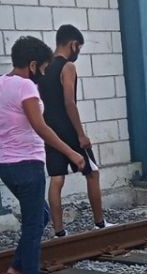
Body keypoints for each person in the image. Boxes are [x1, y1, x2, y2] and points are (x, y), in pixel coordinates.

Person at [0, 36, 85, 274]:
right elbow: (40, 127)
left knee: (40, 216)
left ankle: (17, 267)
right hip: (27, 164)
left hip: (5, 164)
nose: (43, 74)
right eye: (42, 68)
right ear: (32, 64)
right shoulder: (25, 88)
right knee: (34, 226)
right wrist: (71, 153)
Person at [39, 25, 110, 238]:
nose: (77, 51)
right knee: (92, 173)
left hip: (49, 130)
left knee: (57, 178)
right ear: (73, 44)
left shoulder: (43, 67)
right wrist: (81, 134)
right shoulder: (67, 67)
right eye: (78, 47)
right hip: (68, 130)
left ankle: (59, 231)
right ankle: (100, 223)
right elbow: (69, 102)